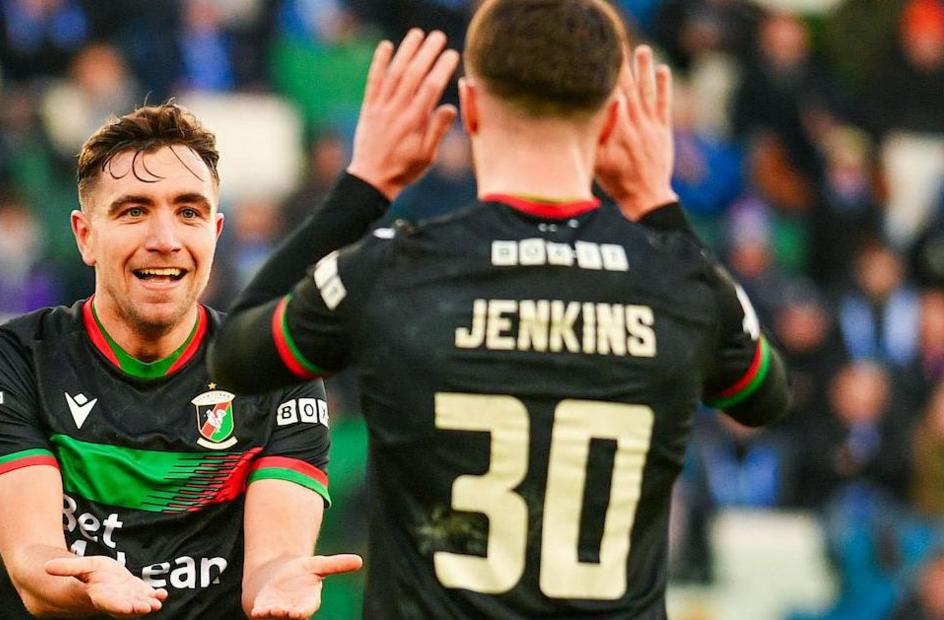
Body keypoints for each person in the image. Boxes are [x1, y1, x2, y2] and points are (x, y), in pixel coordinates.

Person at [208, 1, 791, 617]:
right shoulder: (681, 281)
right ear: (614, 116)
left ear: (473, 106)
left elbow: (232, 355)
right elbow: (765, 396)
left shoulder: (392, 270)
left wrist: (364, 186)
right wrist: (658, 204)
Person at [0, 43, 459, 615]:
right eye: (133, 210)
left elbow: (271, 562)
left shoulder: (274, 373)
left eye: (189, 211)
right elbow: (34, 567)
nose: (166, 238)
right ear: (84, 235)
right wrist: (84, 584)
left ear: (217, 232)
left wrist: (277, 583)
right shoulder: (13, 358)